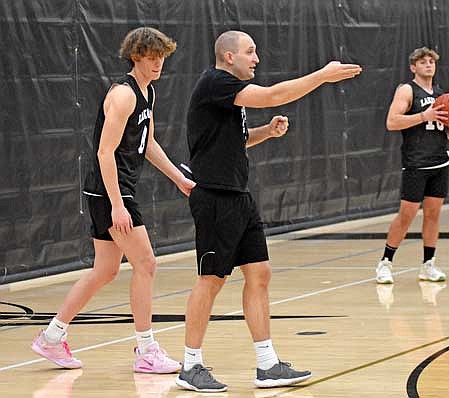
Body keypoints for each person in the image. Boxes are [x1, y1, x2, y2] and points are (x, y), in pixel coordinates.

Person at [175, 30, 362, 393]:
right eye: (250, 52)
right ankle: (190, 365)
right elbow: (273, 96)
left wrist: (266, 132)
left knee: (259, 274)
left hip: (239, 196)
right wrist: (322, 75)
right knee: (211, 280)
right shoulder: (216, 82)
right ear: (229, 57)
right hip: (214, 197)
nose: (256, 58)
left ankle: (267, 364)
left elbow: (234, 140)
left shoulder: (229, 95)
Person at [31, 27, 195, 373]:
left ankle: (50, 336)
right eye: (152, 58)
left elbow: (147, 143)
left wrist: (178, 178)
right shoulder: (123, 95)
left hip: (113, 189)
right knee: (146, 264)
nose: (158, 64)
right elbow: (104, 151)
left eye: (162, 58)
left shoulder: (148, 93)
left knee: (104, 270)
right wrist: (118, 203)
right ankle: (146, 350)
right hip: (111, 190)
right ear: (136, 56)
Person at [375, 47, 449, 284]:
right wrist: (423, 116)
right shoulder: (407, 90)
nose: (428, 65)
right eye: (422, 62)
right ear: (413, 67)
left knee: (433, 215)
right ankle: (385, 263)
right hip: (416, 163)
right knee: (406, 215)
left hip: (440, 161)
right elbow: (392, 122)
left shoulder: (441, 95)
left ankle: (428, 265)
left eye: (431, 61)